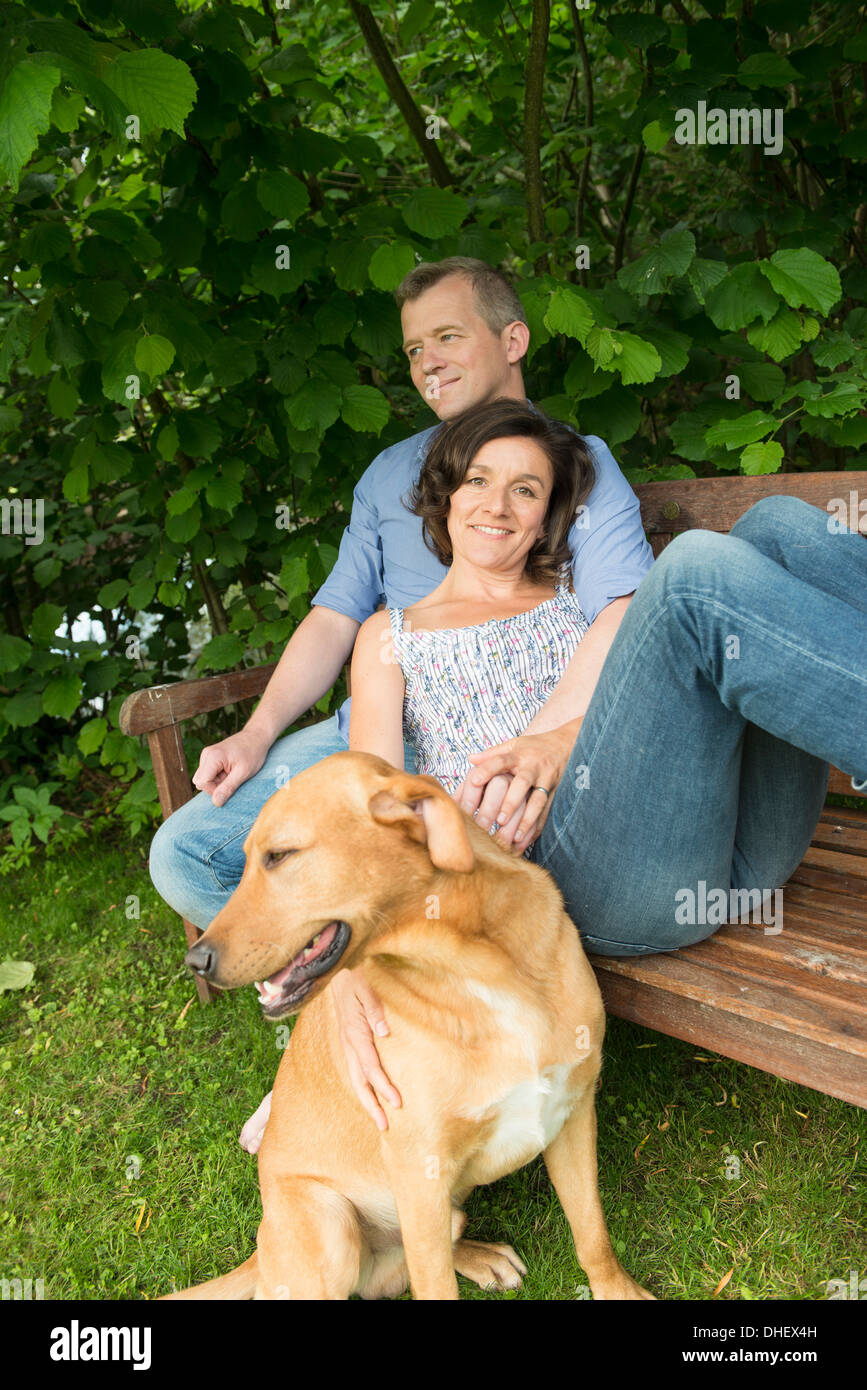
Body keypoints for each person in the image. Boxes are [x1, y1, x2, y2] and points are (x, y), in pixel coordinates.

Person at [148, 257, 654, 1148]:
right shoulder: (388, 474)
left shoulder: (567, 464)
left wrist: (543, 741)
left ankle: (381, 998)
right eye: (415, 348)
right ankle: (347, 981)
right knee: (188, 850)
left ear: (512, 340)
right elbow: (336, 614)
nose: (427, 363)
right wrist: (261, 729)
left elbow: (623, 605)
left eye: (447, 337)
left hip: (493, 740)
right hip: (370, 731)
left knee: (428, 849)